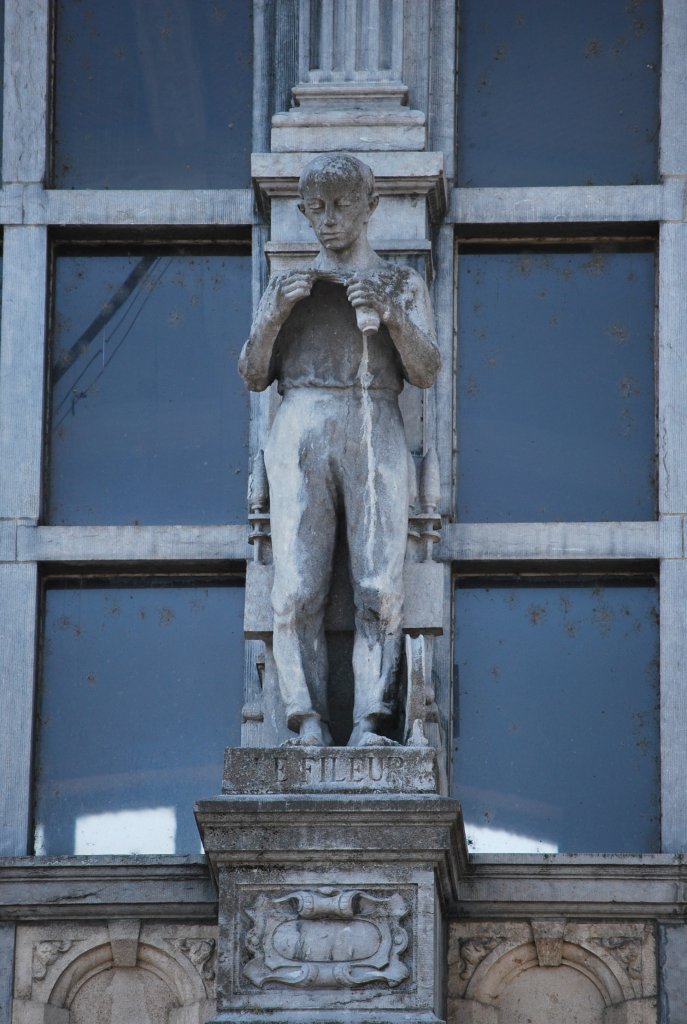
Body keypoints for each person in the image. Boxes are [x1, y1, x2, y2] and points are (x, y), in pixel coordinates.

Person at [239, 154, 439, 747]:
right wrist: (274, 314)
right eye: (316, 209)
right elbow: (253, 372)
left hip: (373, 415)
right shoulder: (287, 285)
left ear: (369, 207)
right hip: (302, 422)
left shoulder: (401, 282)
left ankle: (372, 718)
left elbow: (425, 369)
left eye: (341, 206)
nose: (327, 220)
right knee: (297, 585)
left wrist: (392, 314)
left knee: (378, 583)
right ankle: (305, 719)